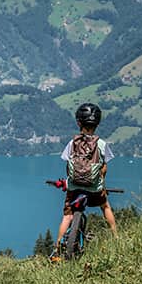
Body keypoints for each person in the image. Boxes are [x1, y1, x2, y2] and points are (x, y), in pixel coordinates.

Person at [51, 103, 117, 259]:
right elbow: (104, 168)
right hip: (94, 188)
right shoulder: (102, 144)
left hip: (74, 187)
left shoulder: (72, 143)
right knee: (105, 206)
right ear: (98, 123)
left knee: (67, 216)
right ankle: (116, 238)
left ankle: (57, 249)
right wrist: (101, 184)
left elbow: (68, 165)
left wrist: (70, 182)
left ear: (78, 122)